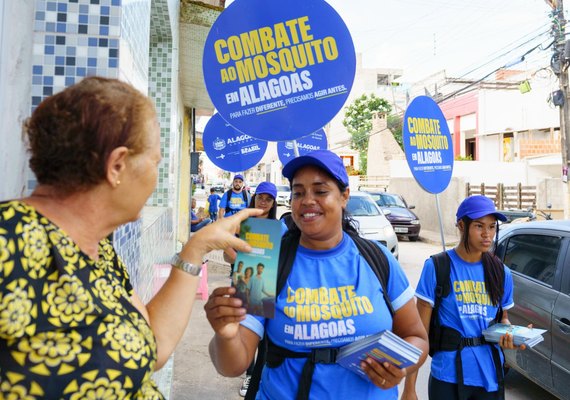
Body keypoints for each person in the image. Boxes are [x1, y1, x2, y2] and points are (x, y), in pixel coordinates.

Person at [0, 76, 263, 399]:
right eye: (154, 161)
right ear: (117, 166)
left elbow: (151, 345)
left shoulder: (100, 250)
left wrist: (197, 248)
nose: (156, 176)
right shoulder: (7, 243)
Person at [205, 149, 428, 399]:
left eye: (320, 191)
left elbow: (416, 337)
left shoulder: (377, 257)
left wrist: (399, 368)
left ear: (344, 196)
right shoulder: (261, 258)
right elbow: (232, 365)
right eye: (298, 192)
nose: (307, 200)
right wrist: (225, 334)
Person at [402, 195, 523, 400]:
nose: (487, 234)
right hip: (448, 376)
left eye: (492, 226)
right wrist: (409, 388)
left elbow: (503, 318)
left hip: (490, 376)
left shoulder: (502, 273)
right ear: (461, 225)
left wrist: (512, 334)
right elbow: (419, 331)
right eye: (479, 226)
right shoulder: (437, 267)